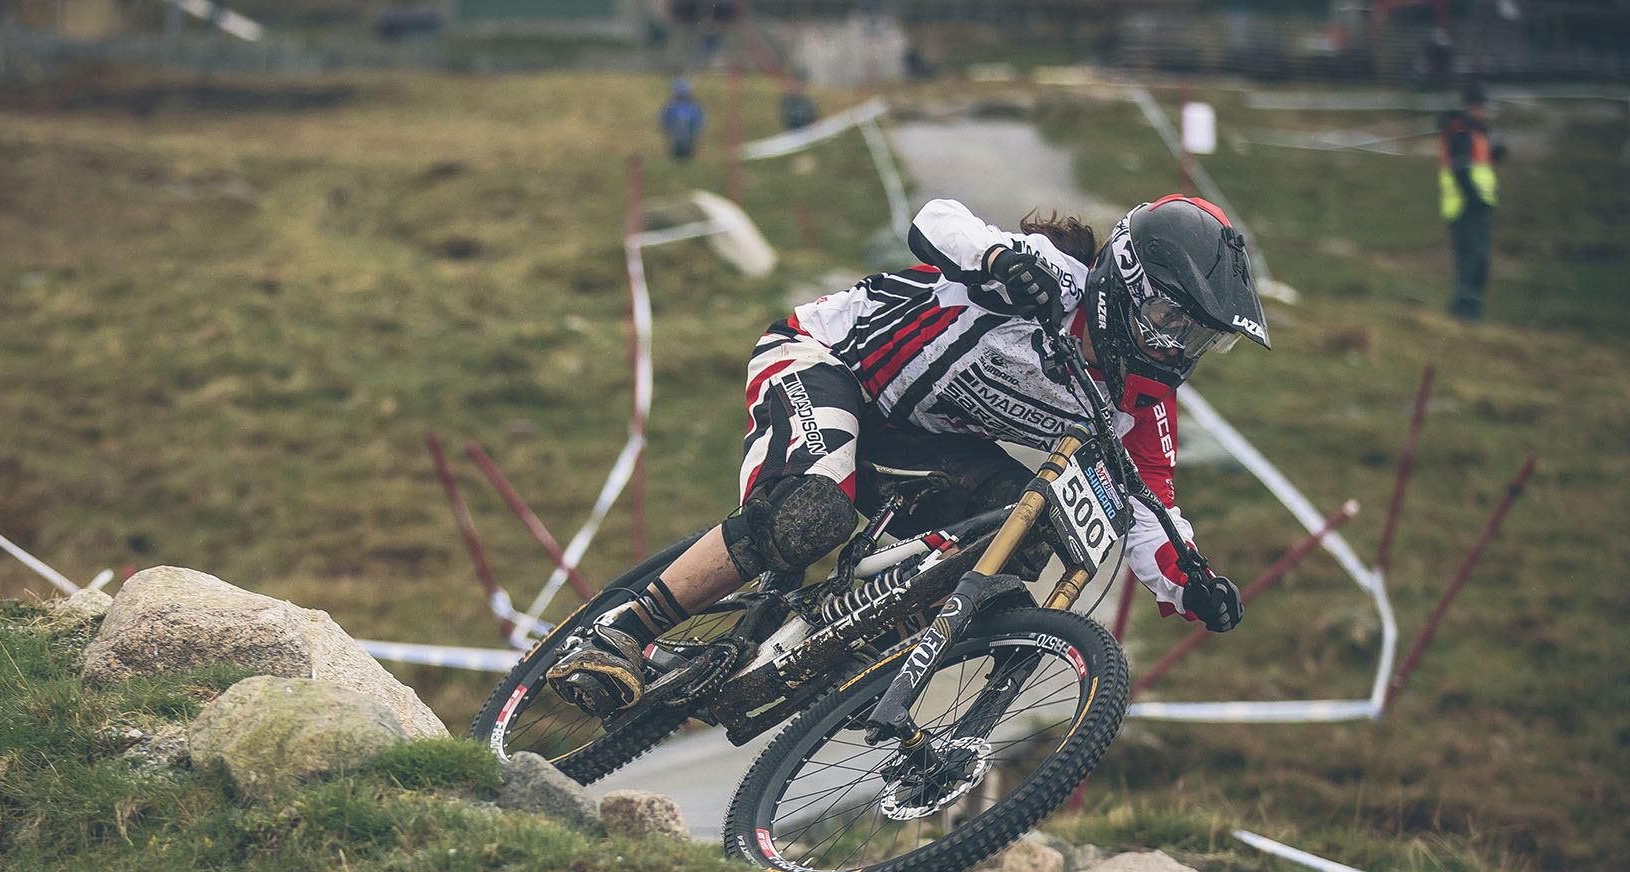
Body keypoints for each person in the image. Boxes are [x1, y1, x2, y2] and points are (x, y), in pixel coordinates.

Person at [549, 195, 1270, 716]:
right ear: (1128, 284)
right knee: (807, 514)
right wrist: (995, 259)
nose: (1178, 346)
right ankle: (622, 631)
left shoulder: (1137, 401)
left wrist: (1191, 586)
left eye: (1199, 337)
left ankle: (858, 651)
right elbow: (937, 219)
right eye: (1172, 319)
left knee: (1025, 531)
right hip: (829, 361)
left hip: (919, 438)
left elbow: (1150, 508)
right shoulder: (1050, 280)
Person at [1437, 82, 1501, 320]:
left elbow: (1480, 166)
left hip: (1479, 206)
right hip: (1464, 206)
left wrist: (1496, 153)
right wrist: (1474, 198)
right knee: (1470, 261)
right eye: (1479, 107)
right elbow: (1460, 168)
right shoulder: (1461, 130)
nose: (1482, 112)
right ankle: (1464, 314)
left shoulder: (1477, 132)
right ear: (1470, 106)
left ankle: (1469, 311)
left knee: (1479, 262)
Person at [659, 77, 706, 160]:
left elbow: (699, 120)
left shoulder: (693, 106)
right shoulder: (671, 106)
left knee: (687, 153)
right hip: (676, 139)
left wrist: (697, 130)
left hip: (688, 138)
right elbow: (664, 120)